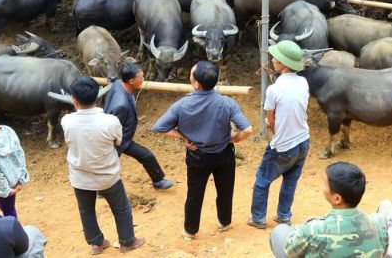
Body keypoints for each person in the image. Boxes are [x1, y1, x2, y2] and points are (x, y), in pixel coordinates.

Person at [152, 61, 253, 240]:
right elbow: (247, 130)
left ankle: (190, 231)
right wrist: (233, 138)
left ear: (196, 83)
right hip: (224, 155)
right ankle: (224, 222)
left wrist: (183, 138)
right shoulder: (227, 103)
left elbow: (160, 127)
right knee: (225, 190)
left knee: (194, 194)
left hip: (197, 155)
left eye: (191, 74)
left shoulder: (181, 105)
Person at [61, 76, 145, 254]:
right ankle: (127, 242)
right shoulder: (111, 121)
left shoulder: (66, 121)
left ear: (74, 101)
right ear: (98, 98)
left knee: (86, 210)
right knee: (121, 208)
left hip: (80, 177)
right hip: (108, 176)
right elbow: (118, 141)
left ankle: (96, 243)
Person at [248, 41, 310, 230]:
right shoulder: (303, 81)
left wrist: (271, 125)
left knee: (262, 180)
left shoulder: (273, 89)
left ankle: (258, 218)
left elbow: (270, 120)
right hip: (303, 141)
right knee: (290, 180)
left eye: (275, 58)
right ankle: (284, 216)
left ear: (282, 64)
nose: (272, 60)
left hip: (284, 145)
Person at [269, 162, 388, 258]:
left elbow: (290, 252)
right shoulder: (379, 222)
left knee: (280, 231)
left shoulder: (313, 228)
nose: (323, 187)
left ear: (337, 198)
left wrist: (296, 230)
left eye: (325, 183)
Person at [103, 62, 174, 190]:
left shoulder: (119, 84)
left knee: (146, 156)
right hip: (118, 141)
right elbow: (112, 129)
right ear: (131, 81)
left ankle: (158, 181)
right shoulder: (121, 105)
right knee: (109, 165)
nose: (143, 79)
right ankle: (102, 190)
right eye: (141, 77)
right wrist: (113, 146)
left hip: (124, 137)